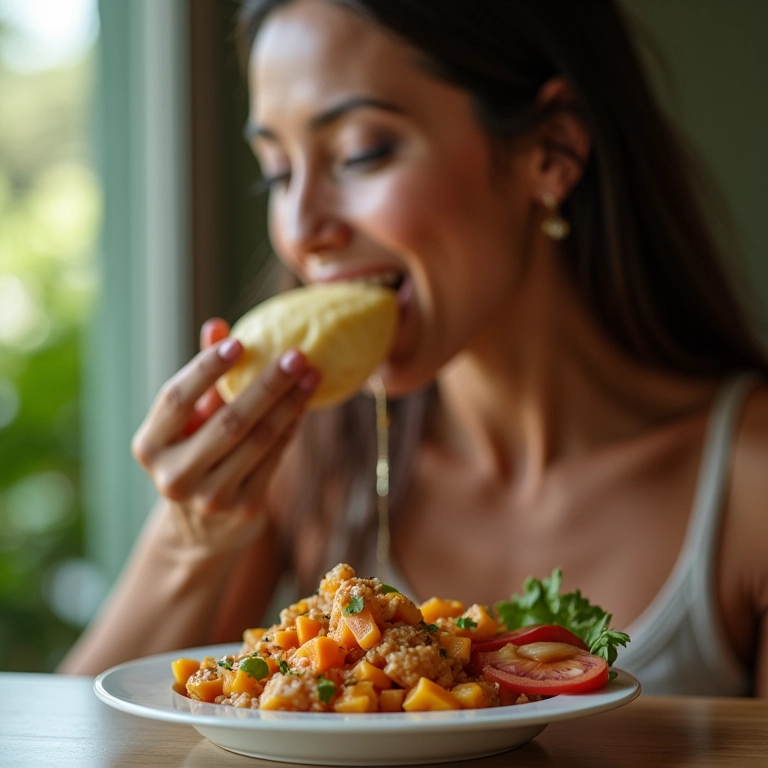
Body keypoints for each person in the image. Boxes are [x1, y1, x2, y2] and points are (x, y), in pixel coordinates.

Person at [59, 0, 768, 697]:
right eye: (277, 172)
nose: (300, 229)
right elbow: (67, 740)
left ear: (551, 151)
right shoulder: (298, 454)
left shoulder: (749, 482)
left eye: (360, 153)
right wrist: (189, 539)